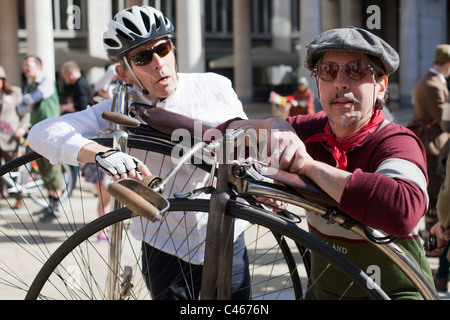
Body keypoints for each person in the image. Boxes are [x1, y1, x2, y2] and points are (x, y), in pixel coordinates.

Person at [27, 6, 249, 299]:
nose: (159, 62)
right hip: (165, 245)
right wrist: (99, 153)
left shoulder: (215, 87)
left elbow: (250, 149)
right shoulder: (120, 106)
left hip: (226, 233)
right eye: (142, 57)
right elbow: (41, 133)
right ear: (123, 72)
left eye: (163, 48)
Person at [211, 27, 432, 299]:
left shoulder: (397, 141)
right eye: (328, 71)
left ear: (381, 86)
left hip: (396, 291)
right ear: (317, 84)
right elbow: (210, 135)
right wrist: (270, 124)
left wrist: (308, 167)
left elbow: (402, 211)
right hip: (323, 293)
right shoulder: (307, 130)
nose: (340, 82)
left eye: (356, 70)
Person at [411, 44, 450, 234]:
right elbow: (445, 121)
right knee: (435, 193)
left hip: (433, 140)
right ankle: (431, 236)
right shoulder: (433, 84)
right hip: (433, 144)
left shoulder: (433, 80)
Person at [18, 55, 63, 222]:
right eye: (24, 65)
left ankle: (56, 207)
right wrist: (26, 102)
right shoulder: (30, 85)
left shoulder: (46, 82)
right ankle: (51, 204)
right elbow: (21, 109)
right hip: (37, 132)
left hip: (51, 132)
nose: (25, 68)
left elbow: (30, 101)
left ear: (38, 65)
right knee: (43, 169)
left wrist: (26, 101)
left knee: (52, 169)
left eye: (28, 64)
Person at [0, 66, 29, 209]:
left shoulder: (15, 93)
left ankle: (19, 197)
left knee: (14, 168)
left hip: (11, 138)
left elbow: (25, 113)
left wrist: (22, 128)